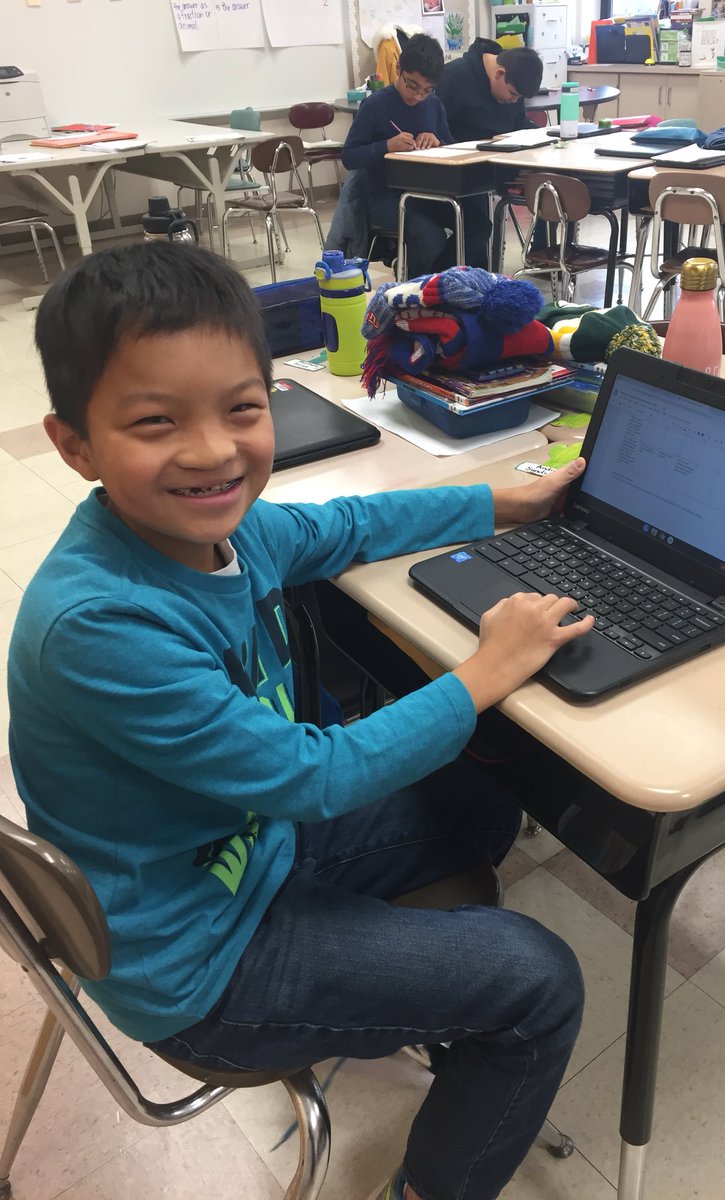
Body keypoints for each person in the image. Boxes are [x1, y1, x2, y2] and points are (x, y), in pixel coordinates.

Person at [8, 242, 592, 1200]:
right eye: (156, 423)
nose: (211, 451)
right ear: (74, 445)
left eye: (242, 409)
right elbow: (317, 776)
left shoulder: (223, 530)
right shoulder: (100, 624)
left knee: (477, 806)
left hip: (245, 853)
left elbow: (349, 526)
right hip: (201, 967)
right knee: (538, 980)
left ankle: (395, 987)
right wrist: (485, 670)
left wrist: (502, 501)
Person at [342, 33, 455, 278]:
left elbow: (451, 147)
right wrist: (386, 146)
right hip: (385, 199)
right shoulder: (375, 105)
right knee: (429, 238)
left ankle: (442, 282)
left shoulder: (433, 105)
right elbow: (350, 156)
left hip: (427, 193)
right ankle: (408, 289)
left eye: (427, 90)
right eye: (412, 85)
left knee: (474, 221)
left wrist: (438, 142)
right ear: (398, 68)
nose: (417, 96)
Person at [435, 40, 544, 270]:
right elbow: (435, 129)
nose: (513, 101)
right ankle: (458, 280)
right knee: (478, 226)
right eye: (513, 94)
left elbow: (518, 123)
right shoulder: (455, 77)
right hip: (456, 172)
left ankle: (544, 260)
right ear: (499, 73)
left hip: (497, 166)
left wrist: (539, 136)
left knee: (548, 186)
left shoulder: (513, 80)